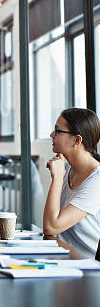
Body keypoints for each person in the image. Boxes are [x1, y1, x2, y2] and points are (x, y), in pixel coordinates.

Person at [43, 107, 100, 256]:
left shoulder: (96, 180)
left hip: (90, 267)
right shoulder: (66, 167)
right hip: (65, 258)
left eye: (58, 131)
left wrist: (57, 177)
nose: (51, 134)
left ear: (76, 140)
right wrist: (60, 174)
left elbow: (51, 227)